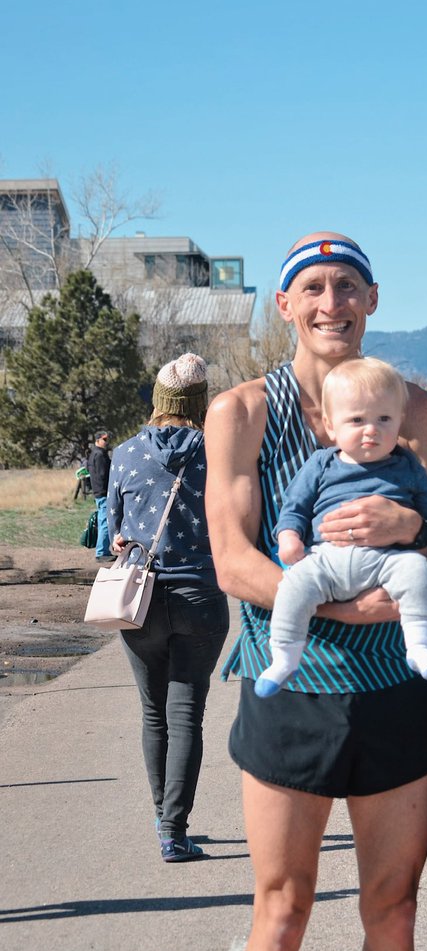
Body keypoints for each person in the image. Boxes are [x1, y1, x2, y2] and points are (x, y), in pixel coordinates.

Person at [203, 232, 427, 951]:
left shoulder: (417, 408)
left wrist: (404, 529)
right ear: (284, 304)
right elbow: (233, 559)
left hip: (394, 692)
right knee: (281, 909)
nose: (330, 301)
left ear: (373, 300)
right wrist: (338, 608)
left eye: (347, 285)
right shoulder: (240, 412)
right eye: (312, 287)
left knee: (391, 910)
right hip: (292, 685)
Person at [255, 357, 427, 697]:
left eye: (384, 419)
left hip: (387, 561)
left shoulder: (406, 464)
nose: (371, 429)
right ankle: (284, 656)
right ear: (331, 426)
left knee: (417, 572)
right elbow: (295, 506)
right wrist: (288, 536)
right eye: (357, 420)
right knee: (293, 584)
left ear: (400, 422)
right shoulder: (321, 463)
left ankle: (420, 645)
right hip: (325, 558)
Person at [107, 353, 230, 861]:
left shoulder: (126, 453)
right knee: (187, 715)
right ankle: (175, 833)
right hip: (200, 594)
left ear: (159, 401)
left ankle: (163, 819)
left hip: (141, 598)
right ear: (201, 404)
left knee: (153, 712)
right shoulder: (219, 451)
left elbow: (111, 533)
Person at [88, 429, 112, 559]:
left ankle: (103, 551)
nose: (107, 442)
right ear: (97, 440)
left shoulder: (94, 454)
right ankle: (102, 552)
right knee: (105, 522)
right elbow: (104, 475)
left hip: (98, 493)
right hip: (103, 493)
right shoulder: (100, 455)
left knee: (103, 521)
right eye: (105, 439)